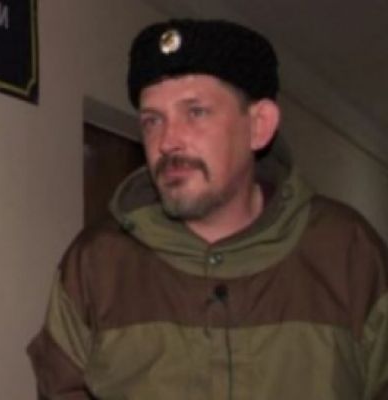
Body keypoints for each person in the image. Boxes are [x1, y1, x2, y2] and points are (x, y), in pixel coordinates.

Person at [27, 18, 388, 400]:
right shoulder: (96, 265)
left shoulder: (349, 253)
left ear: (259, 125)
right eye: (152, 120)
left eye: (195, 112)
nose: (167, 141)